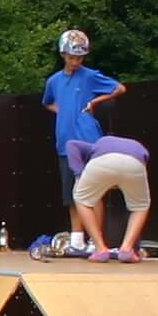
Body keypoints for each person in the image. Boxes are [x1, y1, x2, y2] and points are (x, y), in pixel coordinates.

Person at [39, 30, 126, 211]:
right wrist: (63, 113)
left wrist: (95, 101)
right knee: (71, 197)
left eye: (80, 58)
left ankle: (96, 239)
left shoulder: (89, 76)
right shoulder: (53, 81)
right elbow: (47, 103)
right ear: (63, 54)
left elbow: (119, 89)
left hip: (88, 141)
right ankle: (77, 238)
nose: (76, 62)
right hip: (65, 144)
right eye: (72, 57)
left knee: (94, 193)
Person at [66, 134, 153, 262]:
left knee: (81, 200)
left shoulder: (93, 147)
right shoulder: (135, 145)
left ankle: (100, 249)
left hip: (103, 160)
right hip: (136, 161)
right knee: (140, 206)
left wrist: (79, 173)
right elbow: (144, 158)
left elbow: (71, 144)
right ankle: (127, 249)